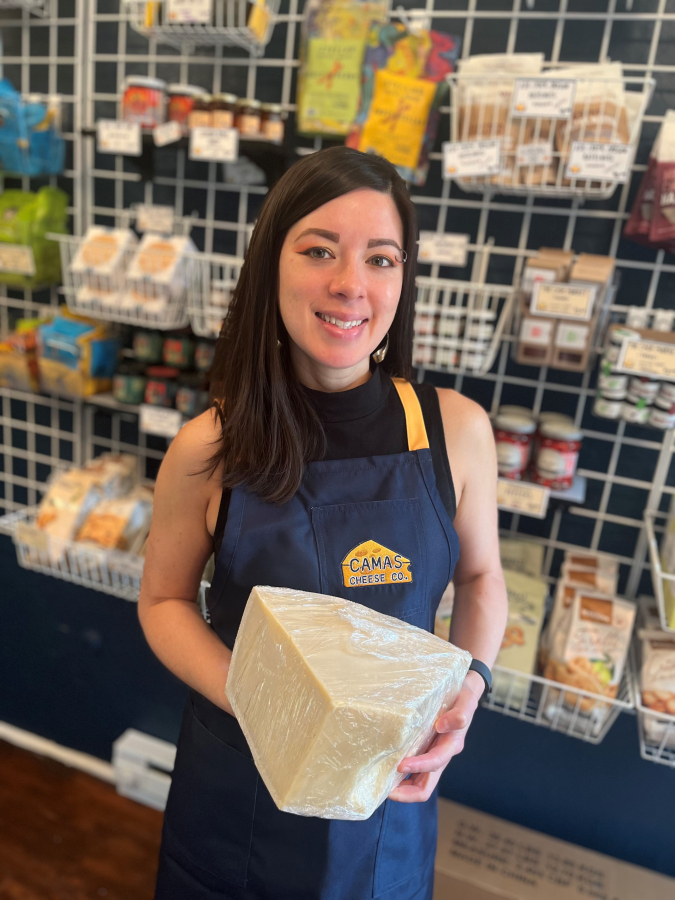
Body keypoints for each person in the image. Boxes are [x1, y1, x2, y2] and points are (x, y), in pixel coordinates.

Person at [139, 146, 508, 900]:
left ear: (403, 279)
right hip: (243, 781)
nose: (350, 285)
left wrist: (468, 686)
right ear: (270, 264)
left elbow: (480, 576)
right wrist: (264, 701)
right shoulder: (211, 446)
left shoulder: (455, 429)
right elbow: (164, 602)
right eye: (318, 251)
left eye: (380, 259)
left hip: (387, 788)